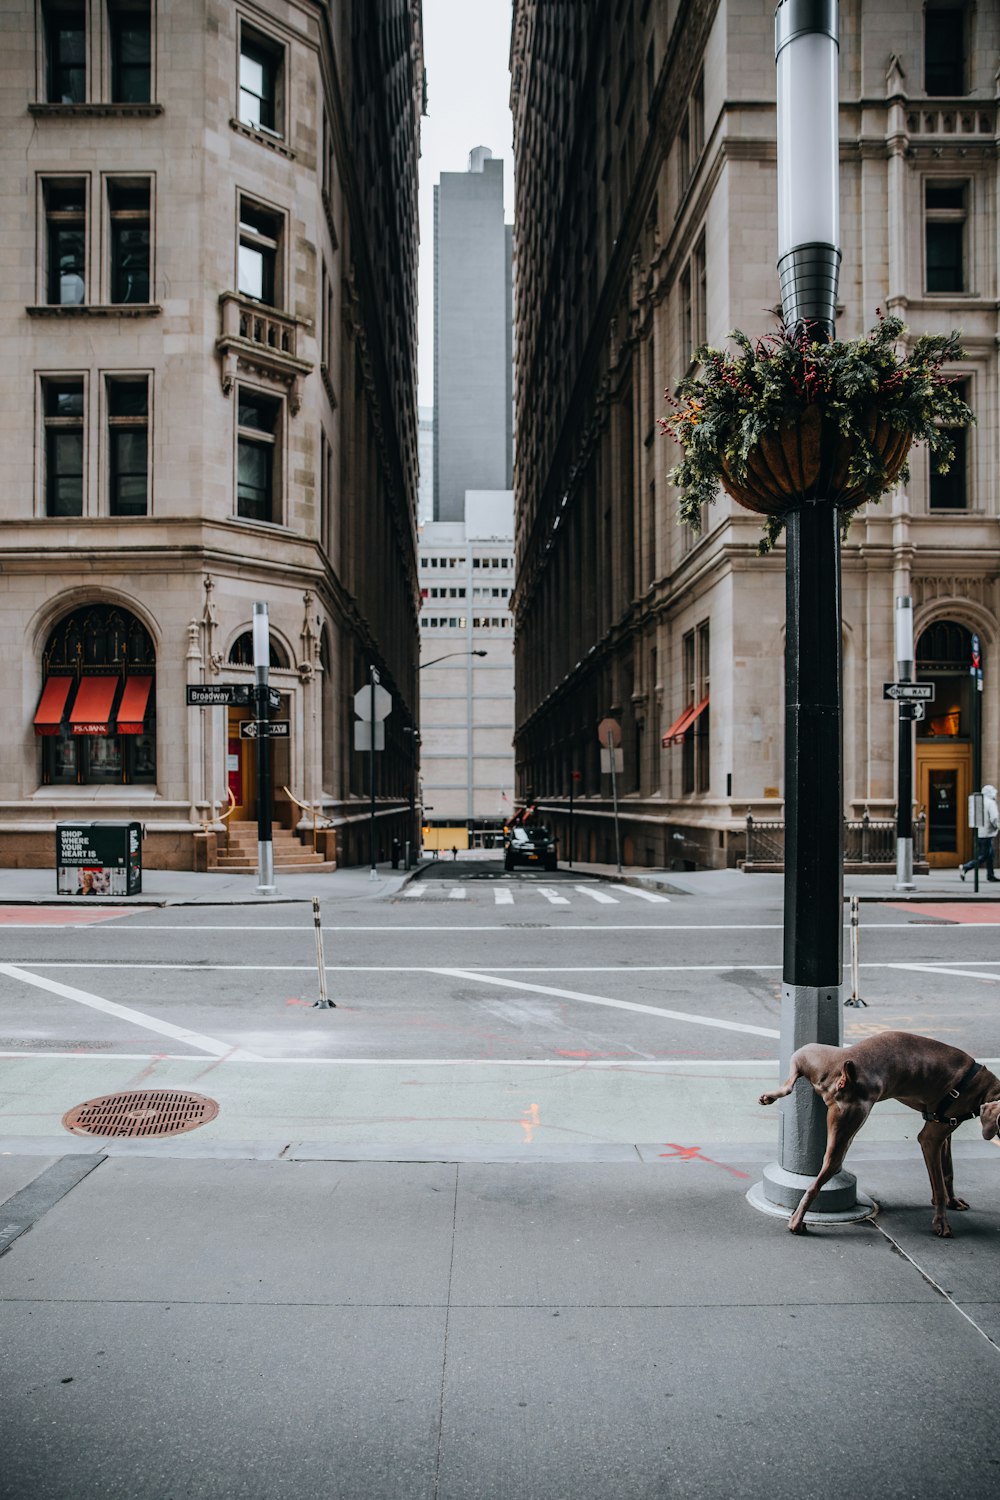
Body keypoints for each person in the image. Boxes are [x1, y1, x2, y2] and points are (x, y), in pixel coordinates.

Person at [960, 783, 999, 882]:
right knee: (984, 855)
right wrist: (998, 826)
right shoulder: (990, 803)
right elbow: (994, 818)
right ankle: (966, 867)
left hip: (980, 832)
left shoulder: (979, 802)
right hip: (987, 833)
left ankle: (990, 875)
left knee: (990, 855)